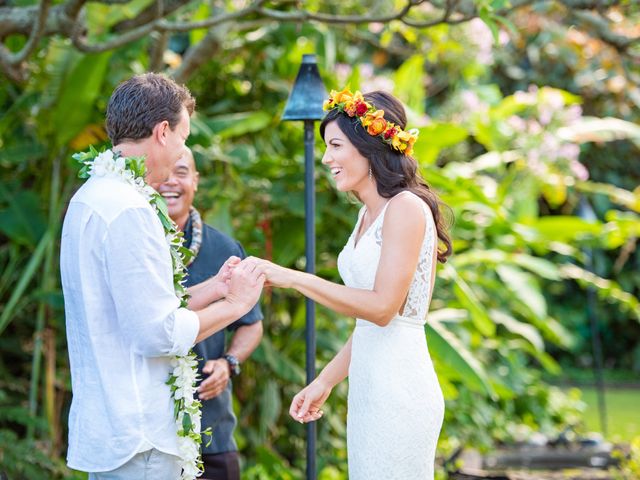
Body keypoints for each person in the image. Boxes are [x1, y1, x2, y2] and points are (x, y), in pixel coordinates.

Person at [60, 73, 265, 480]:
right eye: (183, 138)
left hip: (114, 428)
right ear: (163, 131)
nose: (182, 151)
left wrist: (214, 288)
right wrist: (237, 304)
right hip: (142, 437)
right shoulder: (131, 210)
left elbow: (137, 310)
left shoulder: (91, 197)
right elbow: (157, 333)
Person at [253, 89, 453, 479]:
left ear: (368, 147)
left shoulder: (406, 208)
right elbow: (368, 326)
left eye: (336, 146)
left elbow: (382, 309)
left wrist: (295, 278)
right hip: (369, 388)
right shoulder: (367, 215)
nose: (327, 158)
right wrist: (324, 382)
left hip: (400, 389)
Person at [158, 147, 263, 480]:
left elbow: (252, 324)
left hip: (211, 430)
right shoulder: (136, 242)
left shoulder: (225, 249)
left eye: (182, 172)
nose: (170, 182)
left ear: (196, 181)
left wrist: (229, 362)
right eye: (163, 173)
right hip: (150, 431)